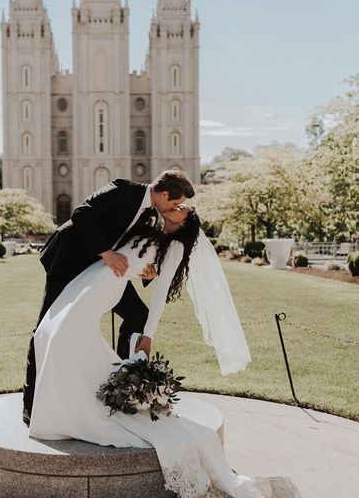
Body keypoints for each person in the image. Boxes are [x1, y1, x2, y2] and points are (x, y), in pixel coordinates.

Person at [29, 205, 265, 498]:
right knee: (47, 333)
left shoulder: (176, 246)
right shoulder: (149, 225)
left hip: (107, 285)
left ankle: (75, 410)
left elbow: (160, 295)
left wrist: (148, 336)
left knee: (65, 334)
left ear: (185, 222)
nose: (174, 207)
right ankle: (70, 400)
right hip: (90, 277)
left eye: (181, 209)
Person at [22, 170, 195, 425]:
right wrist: (106, 253)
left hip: (103, 273)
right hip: (69, 262)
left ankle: (121, 385)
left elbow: (133, 247)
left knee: (138, 316)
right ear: (165, 194)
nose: (173, 208)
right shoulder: (123, 189)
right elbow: (81, 214)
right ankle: (32, 405)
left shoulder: (150, 214)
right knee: (45, 329)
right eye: (174, 203)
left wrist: (146, 272)